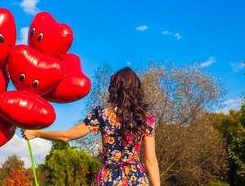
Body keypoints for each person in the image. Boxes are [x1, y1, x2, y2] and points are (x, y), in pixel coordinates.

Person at [22, 67, 160, 186]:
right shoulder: (145, 119)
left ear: (114, 88)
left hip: (108, 179)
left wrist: (37, 133)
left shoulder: (101, 114)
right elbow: (151, 161)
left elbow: (66, 136)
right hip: (136, 180)